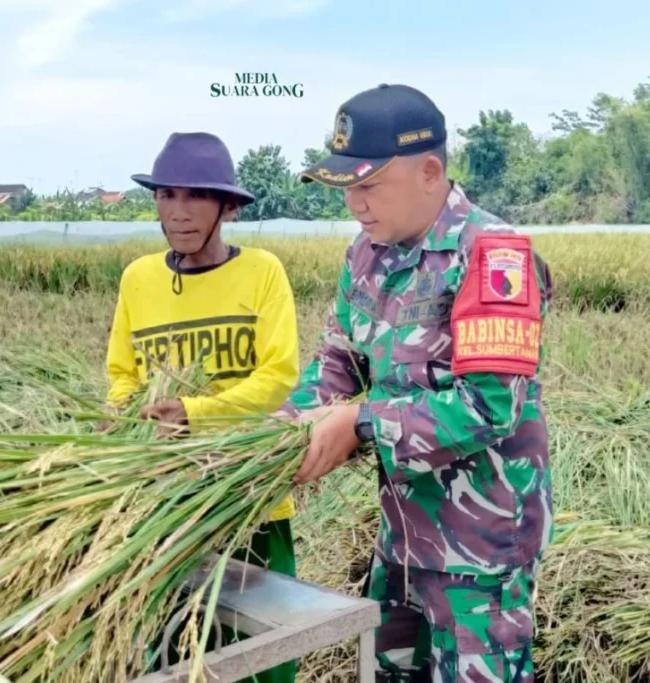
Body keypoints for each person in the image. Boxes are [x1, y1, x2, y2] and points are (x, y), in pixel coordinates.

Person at [277, 84, 554, 682]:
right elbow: (340, 361)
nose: (354, 203)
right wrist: (282, 431)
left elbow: (489, 406)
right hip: (402, 534)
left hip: (480, 548)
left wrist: (360, 423)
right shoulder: (366, 254)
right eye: (346, 187)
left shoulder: (492, 256)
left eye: (369, 185)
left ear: (430, 172)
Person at [105, 131, 300, 683]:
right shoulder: (139, 279)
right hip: (167, 501)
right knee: (177, 652)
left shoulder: (261, 271)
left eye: (196, 196)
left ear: (228, 208)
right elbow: (122, 376)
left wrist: (194, 412)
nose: (178, 211)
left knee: (266, 654)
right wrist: (129, 416)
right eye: (166, 195)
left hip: (249, 494)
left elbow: (277, 375)